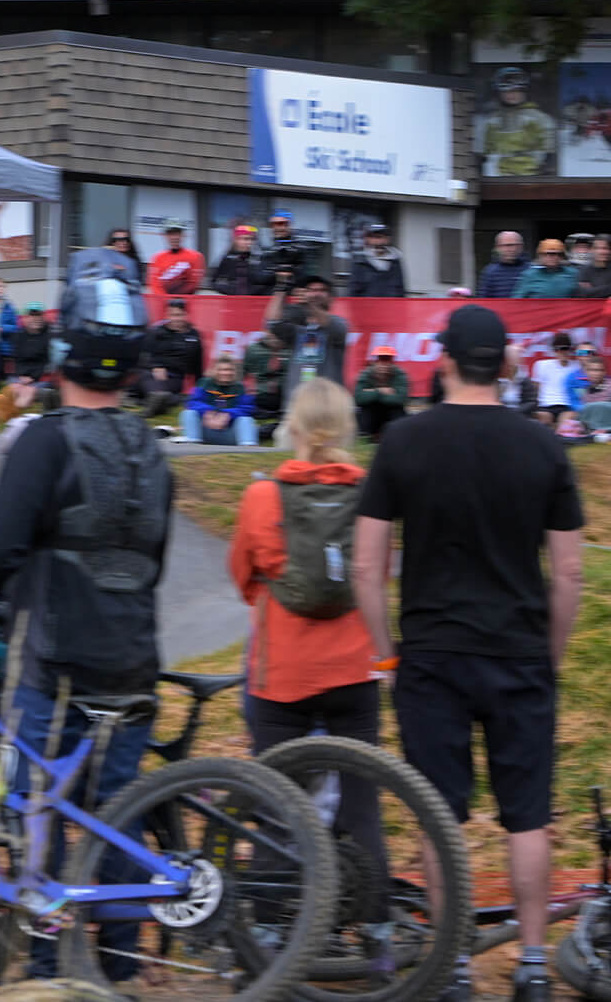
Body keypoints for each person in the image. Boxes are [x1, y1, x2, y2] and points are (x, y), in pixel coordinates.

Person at [0, 244, 169, 985]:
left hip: (58, 665)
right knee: (121, 809)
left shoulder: (45, 439)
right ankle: (121, 967)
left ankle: (42, 966)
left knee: (36, 809)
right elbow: (155, 556)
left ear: (65, 340)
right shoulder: (151, 448)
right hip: (133, 660)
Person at [354, 305, 586, 1002]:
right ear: (506, 362)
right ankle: (535, 966)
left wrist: (388, 654)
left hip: (431, 654)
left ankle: (453, 962)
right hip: (518, 651)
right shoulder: (544, 446)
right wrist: (550, 654)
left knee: (438, 814)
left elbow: (367, 568)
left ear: (444, 360)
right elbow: (569, 572)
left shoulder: (402, 440)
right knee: (529, 815)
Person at [226, 378, 390, 960]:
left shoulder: (262, 498)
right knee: (362, 801)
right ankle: (378, 932)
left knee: (276, 802)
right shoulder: (371, 493)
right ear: (348, 428)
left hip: (282, 673)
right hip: (353, 668)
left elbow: (242, 575)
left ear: (293, 428)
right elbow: (378, 572)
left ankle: (269, 936)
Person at [267, 274, 351, 393]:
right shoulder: (298, 329)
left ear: (330, 298)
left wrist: (310, 303)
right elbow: (273, 322)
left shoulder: (339, 323)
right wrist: (281, 288)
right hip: (297, 400)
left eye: (322, 290)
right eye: (312, 290)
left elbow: (329, 325)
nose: (316, 294)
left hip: (328, 401)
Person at [139, 297, 205, 415]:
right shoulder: (155, 331)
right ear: (167, 315)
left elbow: (198, 366)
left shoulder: (194, 336)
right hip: (151, 373)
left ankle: (158, 401)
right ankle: (163, 400)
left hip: (175, 377)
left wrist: (200, 390)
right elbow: (143, 355)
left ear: (186, 314)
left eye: (179, 315)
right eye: (172, 315)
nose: (175, 319)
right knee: (147, 379)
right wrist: (156, 366)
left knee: (164, 390)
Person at [178, 355, 259, 446]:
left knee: (246, 420)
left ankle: (248, 449)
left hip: (229, 432)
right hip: (206, 429)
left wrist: (227, 415)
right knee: (188, 413)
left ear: (235, 372)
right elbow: (192, 402)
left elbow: (248, 409)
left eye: (230, 369)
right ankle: (192, 444)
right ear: (215, 370)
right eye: (222, 369)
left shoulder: (242, 387)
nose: (226, 373)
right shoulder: (204, 383)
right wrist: (208, 412)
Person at [353, 346, 411, 441]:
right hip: (373, 413)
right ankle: (365, 436)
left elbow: (401, 399)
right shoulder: (366, 374)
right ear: (375, 362)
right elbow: (358, 398)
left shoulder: (400, 374)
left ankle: (397, 436)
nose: (384, 364)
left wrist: (371, 392)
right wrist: (381, 391)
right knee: (366, 408)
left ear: (392, 362)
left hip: (390, 413)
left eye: (387, 360)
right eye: (381, 360)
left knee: (397, 409)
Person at [244, 321, 292, 429]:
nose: (274, 338)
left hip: (284, 395)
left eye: (277, 335)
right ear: (266, 332)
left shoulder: (289, 350)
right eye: (271, 333)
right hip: (260, 394)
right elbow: (242, 372)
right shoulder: (253, 349)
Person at [528, 333, 582, 424]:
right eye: (558, 349)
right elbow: (535, 389)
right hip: (545, 406)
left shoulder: (577, 366)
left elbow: (589, 358)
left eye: (565, 348)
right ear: (554, 350)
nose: (562, 352)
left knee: (566, 421)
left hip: (567, 406)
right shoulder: (541, 365)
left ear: (570, 349)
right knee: (542, 419)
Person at [263, 210, 320, 292]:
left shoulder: (302, 247)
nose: (277, 228)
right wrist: (277, 274)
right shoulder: (269, 250)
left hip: (296, 297)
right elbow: (261, 278)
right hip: (272, 298)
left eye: (281, 224)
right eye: (274, 224)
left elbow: (308, 276)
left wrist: (289, 274)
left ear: (289, 225)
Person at [346, 222, 406, 298]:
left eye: (380, 237)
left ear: (387, 239)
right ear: (367, 239)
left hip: (391, 309)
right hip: (367, 309)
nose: (378, 241)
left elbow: (401, 291)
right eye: (374, 237)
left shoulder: (395, 262)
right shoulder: (359, 263)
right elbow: (352, 293)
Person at [146, 223, 203, 295]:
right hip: (163, 301)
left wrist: (177, 301)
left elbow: (194, 282)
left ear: (182, 236)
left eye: (177, 234)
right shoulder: (157, 258)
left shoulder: (195, 256)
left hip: (185, 301)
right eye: (171, 234)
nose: (174, 237)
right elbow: (154, 284)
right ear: (166, 236)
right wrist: (165, 300)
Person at [513, 239, 580, 298]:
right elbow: (517, 301)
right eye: (546, 254)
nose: (550, 257)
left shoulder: (573, 273)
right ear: (540, 256)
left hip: (566, 311)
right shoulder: (529, 275)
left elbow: (581, 298)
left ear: (561, 256)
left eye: (554, 254)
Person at [210, 224, 265, 296]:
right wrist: (231, 290)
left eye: (251, 239)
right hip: (233, 303)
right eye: (245, 239)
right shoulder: (227, 259)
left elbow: (264, 282)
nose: (249, 243)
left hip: (253, 302)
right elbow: (214, 282)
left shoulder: (257, 259)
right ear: (236, 240)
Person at [478, 231, 529, 299]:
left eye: (515, 245)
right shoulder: (490, 272)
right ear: (497, 247)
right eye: (507, 245)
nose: (511, 249)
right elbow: (483, 300)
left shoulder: (530, 270)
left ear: (521, 247)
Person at [576, 235, 611, 300]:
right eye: (597, 248)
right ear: (591, 250)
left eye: (605, 248)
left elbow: (589, 293)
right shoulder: (584, 270)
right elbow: (583, 293)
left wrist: (593, 290)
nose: (601, 252)